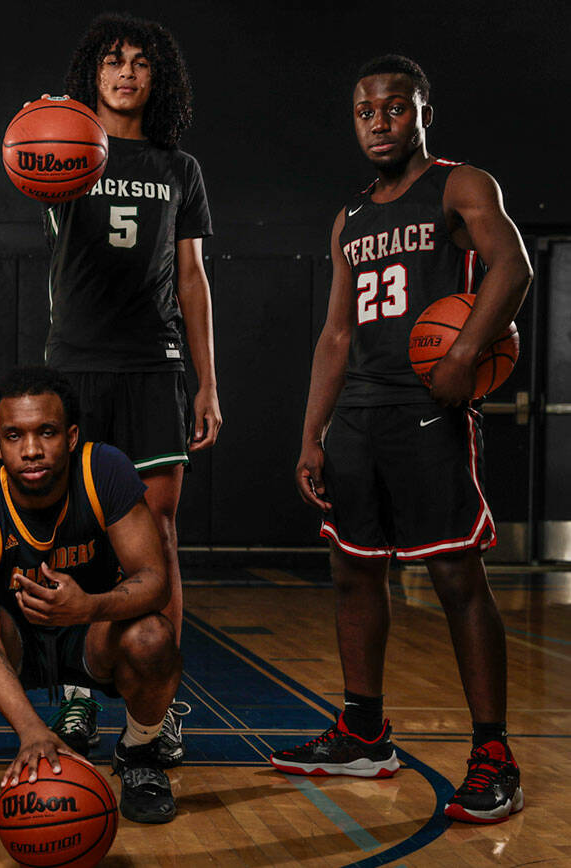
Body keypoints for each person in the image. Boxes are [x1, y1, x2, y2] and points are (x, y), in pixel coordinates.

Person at [270, 55, 531, 824]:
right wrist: (311, 434)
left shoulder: (460, 184)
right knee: (353, 573)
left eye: (393, 108)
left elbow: (511, 266)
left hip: (428, 412)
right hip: (357, 416)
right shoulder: (349, 218)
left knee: (455, 579)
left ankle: (493, 753)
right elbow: (335, 334)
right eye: (364, 111)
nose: (378, 122)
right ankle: (363, 731)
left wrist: (461, 354)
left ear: (421, 112)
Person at [39, 12, 217, 768]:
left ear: (159, 79)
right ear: (93, 74)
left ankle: (159, 708)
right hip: (76, 361)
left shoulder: (182, 168)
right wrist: (45, 126)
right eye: (113, 60)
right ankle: (78, 691)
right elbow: (29, 167)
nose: (127, 72)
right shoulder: (65, 151)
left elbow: (192, 277)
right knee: (77, 532)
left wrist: (208, 382)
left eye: (142, 62)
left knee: (160, 539)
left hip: (154, 365)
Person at [0, 367, 181, 824]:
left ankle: (139, 753)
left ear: (70, 437)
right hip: (13, 645)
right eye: (14, 435)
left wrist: (89, 606)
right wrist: (31, 732)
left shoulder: (102, 469)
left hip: (89, 632)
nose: (31, 450)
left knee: (153, 636)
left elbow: (155, 579)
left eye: (46, 432)